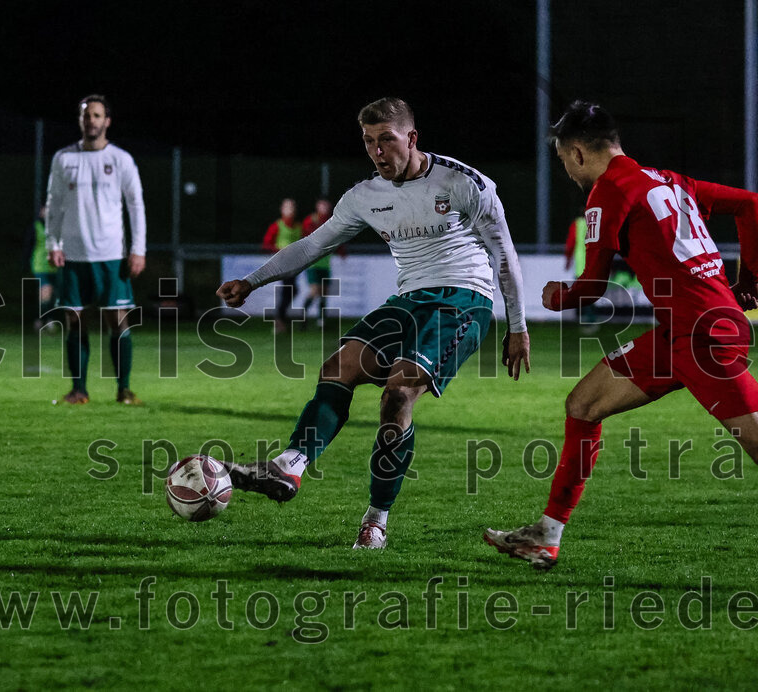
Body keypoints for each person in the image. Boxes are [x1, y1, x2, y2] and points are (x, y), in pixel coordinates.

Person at [484, 101, 758, 590]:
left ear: (579, 153)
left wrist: (555, 295)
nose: (566, 171)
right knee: (582, 405)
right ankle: (547, 534)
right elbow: (750, 204)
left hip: (701, 337)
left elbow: (589, 287)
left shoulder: (607, 192)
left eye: (564, 160)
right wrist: (749, 278)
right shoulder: (668, 180)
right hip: (682, 332)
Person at [218, 97, 531, 549]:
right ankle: (290, 464)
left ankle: (376, 519)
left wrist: (517, 326)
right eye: (369, 142)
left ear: (412, 138)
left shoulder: (466, 183)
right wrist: (252, 282)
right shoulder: (365, 197)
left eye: (387, 139)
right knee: (337, 369)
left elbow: (504, 255)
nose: (378, 151)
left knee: (397, 395)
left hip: (464, 300)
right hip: (407, 299)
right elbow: (311, 245)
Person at [45, 94, 146, 405]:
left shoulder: (121, 159)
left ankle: (124, 389)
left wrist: (138, 248)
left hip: (112, 255)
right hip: (74, 255)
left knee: (118, 320)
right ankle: (79, 390)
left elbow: (135, 205)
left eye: (97, 115)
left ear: (107, 121)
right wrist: (53, 243)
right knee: (74, 319)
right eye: (87, 116)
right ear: (80, 121)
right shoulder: (63, 158)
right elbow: (54, 204)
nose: (92, 121)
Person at [299, 198, 345, 326]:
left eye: (326, 206)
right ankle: (303, 315)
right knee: (315, 291)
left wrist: (341, 250)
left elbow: (338, 237)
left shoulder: (332, 221)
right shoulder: (311, 220)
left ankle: (321, 320)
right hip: (313, 263)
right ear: (317, 206)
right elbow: (304, 236)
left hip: (325, 263)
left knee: (324, 292)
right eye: (322, 205)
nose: (324, 208)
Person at [261, 198, 301, 333]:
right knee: (288, 289)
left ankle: (280, 318)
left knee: (291, 290)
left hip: (294, 263)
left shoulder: (298, 226)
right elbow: (266, 244)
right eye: (288, 207)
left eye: (293, 207)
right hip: (282, 262)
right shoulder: (277, 226)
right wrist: (279, 250)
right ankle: (279, 319)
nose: (291, 210)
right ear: (282, 209)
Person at [24, 205, 58, 332]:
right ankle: (42, 321)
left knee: (51, 295)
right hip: (40, 265)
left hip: (54, 266)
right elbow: (28, 246)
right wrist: (26, 263)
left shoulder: (57, 227)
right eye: (45, 209)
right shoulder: (35, 226)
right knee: (46, 292)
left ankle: (45, 320)